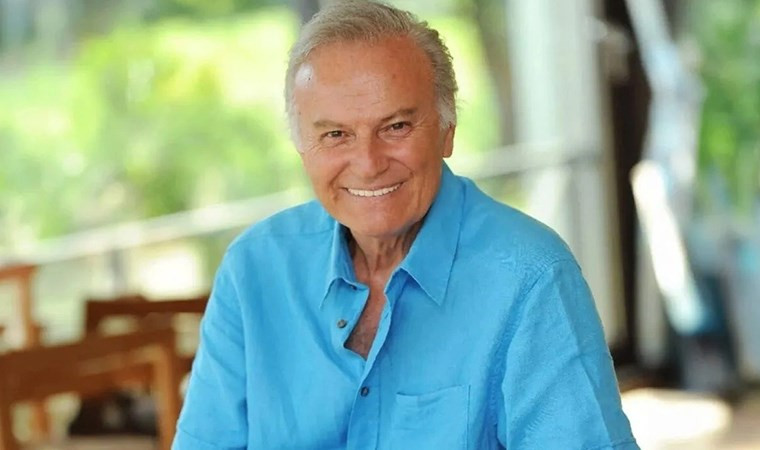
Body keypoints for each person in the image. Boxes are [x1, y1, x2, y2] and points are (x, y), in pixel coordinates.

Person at [173, 1, 638, 448]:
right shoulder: (253, 269)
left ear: (447, 128)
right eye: (335, 134)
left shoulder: (530, 276)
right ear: (301, 145)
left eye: (395, 126)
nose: (369, 163)